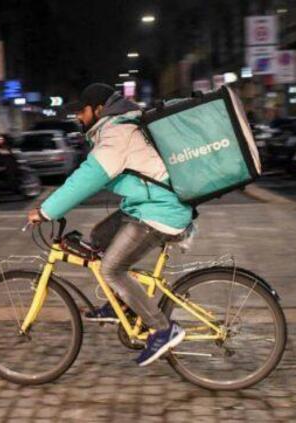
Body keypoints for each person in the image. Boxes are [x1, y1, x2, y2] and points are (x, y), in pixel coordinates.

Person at [27, 83, 191, 367]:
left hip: (160, 212)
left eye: (82, 111)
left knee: (112, 269)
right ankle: (124, 305)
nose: (78, 117)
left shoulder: (117, 133)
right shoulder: (117, 126)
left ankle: (163, 329)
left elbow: (88, 178)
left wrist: (46, 211)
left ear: (99, 109)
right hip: (147, 205)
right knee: (98, 236)